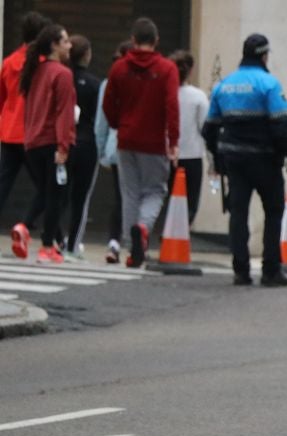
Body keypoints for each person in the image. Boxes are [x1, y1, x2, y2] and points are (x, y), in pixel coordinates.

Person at [203, 33, 287, 287]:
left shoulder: (224, 85)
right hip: (266, 161)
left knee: (238, 212)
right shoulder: (269, 84)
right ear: (264, 55)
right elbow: (282, 126)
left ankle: (240, 271)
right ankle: (271, 270)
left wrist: (217, 157)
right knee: (274, 212)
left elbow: (209, 128)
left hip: (234, 160)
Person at [102, 17, 180, 268]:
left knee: (130, 193)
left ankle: (130, 242)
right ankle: (142, 229)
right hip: (154, 140)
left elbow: (108, 104)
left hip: (126, 138)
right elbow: (172, 106)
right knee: (156, 190)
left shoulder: (119, 68)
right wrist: (173, 139)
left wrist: (117, 124)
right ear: (156, 41)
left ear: (133, 40)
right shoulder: (167, 69)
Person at [17, 24, 75, 264]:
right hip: (52, 141)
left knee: (46, 192)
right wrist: (64, 145)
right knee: (56, 196)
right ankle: (46, 245)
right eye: (65, 41)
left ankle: (26, 227)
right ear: (54, 45)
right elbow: (64, 112)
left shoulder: (35, 71)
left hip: (32, 142)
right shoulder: (62, 74)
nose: (70, 45)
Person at [3, 11, 50, 257]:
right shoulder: (43, 65)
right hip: (33, 133)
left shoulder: (10, 61)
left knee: (3, 184)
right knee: (47, 187)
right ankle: (27, 225)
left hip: (9, 131)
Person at [62, 35, 101, 260]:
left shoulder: (61, 78)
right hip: (87, 141)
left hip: (64, 142)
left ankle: (55, 238)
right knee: (80, 197)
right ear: (87, 54)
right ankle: (72, 244)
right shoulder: (95, 84)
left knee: (59, 194)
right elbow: (99, 117)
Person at [95, 42, 132, 263]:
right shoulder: (148, 81)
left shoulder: (108, 84)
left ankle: (114, 243)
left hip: (116, 146)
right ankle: (136, 243)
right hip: (146, 147)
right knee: (138, 197)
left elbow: (102, 121)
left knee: (120, 198)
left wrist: (101, 151)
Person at [170, 50, 208, 224]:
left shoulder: (165, 94)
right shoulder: (198, 96)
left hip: (168, 155)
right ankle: (181, 234)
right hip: (192, 156)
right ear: (191, 70)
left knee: (169, 199)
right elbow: (205, 128)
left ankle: (168, 231)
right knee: (190, 203)